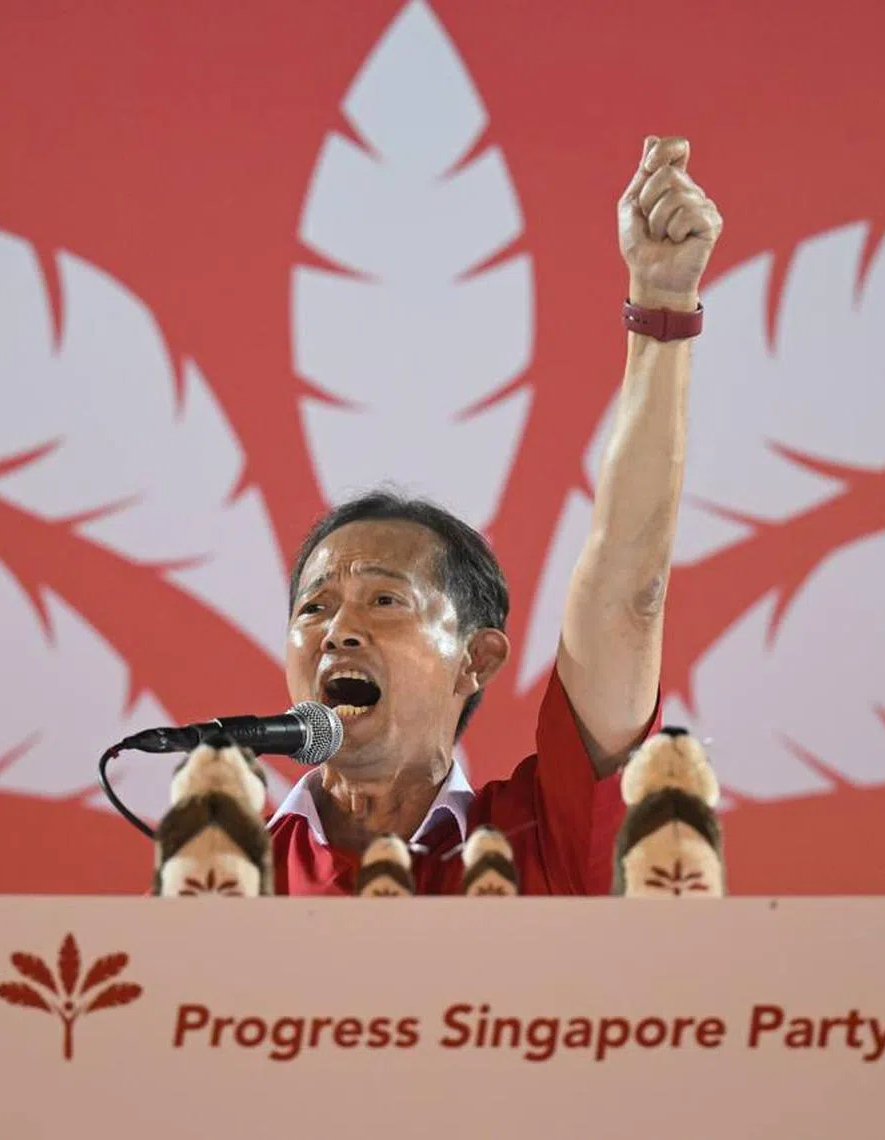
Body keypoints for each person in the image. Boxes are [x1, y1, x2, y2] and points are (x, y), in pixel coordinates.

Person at [269, 135, 722, 895]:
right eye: (313, 607)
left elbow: (627, 596)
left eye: (385, 600)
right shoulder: (227, 867)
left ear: (475, 659)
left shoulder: (541, 837)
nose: (338, 629)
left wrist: (663, 306)